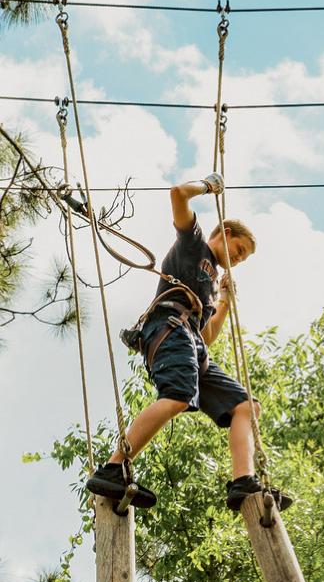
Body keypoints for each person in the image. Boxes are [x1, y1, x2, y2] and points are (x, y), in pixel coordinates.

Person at [86, 173, 292, 513]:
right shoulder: (193, 245)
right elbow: (178, 194)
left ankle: (243, 480)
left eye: (242, 259)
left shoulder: (211, 285)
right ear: (224, 234)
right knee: (178, 397)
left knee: (246, 407)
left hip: (193, 343)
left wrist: (223, 301)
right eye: (238, 250)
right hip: (169, 329)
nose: (237, 260)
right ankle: (113, 467)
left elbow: (207, 335)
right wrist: (209, 186)